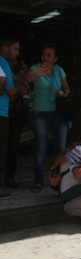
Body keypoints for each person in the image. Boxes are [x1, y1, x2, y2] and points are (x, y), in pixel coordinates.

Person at [26, 46, 71, 193]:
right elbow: (26, 78)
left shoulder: (59, 70)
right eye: (43, 54)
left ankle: (63, 180)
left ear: (55, 58)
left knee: (61, 148)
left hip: (58, 113)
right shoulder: (35, 68)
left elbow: (67, 88)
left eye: (49, 55)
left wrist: (63, 94)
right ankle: (38, 181)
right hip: (40, 113)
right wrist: (38, 74)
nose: (45, 57)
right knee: (41, 147)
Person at [5, 58, 29, 188]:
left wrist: (21, 77)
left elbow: (24, 91)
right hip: (4, 112)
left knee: (13, 146)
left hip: (15, 113)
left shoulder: (19, 73)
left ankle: (9, 177)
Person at [0, 38, 19, 199]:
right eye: (15, 49)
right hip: (1, 113)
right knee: (1, 150)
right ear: (5, 48)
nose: (17, 53)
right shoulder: (3, 63)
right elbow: (11, 91)